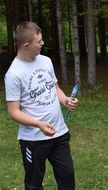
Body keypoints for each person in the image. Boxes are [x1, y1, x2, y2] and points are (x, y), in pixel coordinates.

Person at [4, 21, 78, 190]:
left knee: (67, 175)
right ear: (27, 45)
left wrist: (65, 100)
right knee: (34, 183)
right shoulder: (14, 74)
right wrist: (38, 124)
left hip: (59, 132)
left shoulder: (45, 61)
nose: (43, 44)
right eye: (39, 42)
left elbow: (55, 87)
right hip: (34, 139)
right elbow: (13, 112)